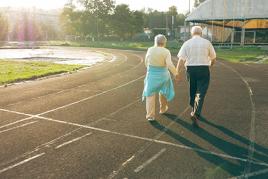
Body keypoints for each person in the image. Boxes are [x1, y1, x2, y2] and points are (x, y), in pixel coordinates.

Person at [176, 26, 216, 125]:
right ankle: (195, 112)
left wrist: (177, 72)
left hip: (191, 69)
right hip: (203, 68)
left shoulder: (187, 43)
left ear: (192, 33)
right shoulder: (207, 43)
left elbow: (181, 59)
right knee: (201, 91)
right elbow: (213, 57)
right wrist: (210, 65)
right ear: (201, 33)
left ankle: (193, 107)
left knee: (192, 90)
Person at [143, 34, 178, 121]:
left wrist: (149, 69)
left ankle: (150, 115)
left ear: (155, 42)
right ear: (164, 42)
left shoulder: (150, 49)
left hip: (151, 75)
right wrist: (176, 74)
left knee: (150, 94)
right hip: (163, 75)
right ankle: (163, 109)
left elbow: (146, 61)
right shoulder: (166, 51)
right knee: (164, 91)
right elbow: (169, 64)